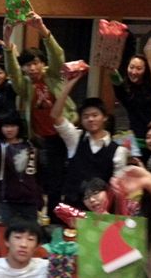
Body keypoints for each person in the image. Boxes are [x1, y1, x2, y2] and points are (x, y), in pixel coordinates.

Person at [3, 13, 77, 223]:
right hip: (44, 138)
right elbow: (13, 72)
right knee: (48, 180)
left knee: (67, 178)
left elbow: (57, 56)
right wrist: (7, 41)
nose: (32, 68)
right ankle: (49, 217)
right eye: (27, 65)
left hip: (66, 133)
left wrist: (42, 30)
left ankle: (63, 217)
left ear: (42, 63)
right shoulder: (25, 85)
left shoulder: (53, 75)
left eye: (35, 63)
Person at [51, 74, 127, 209]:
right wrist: (67, 86)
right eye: (86, 116)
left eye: (95, 115)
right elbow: (55, 117)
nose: (90, 119)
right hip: (72, 207)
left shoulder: (118, 151)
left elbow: (117, 187)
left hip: (99, 210)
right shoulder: (75, 138)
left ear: (105, 118)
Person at [0, 111, 44, 224]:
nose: (9, 129)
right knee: (8, 231)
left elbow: (37, 174)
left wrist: (39, 198)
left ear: (19, 127)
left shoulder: (30, 146)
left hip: (30, 198)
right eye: (6, 126)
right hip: (8, 199)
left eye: (12, 125)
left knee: (30, 231)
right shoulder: (0, 146)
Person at [104, 55, 151, 151]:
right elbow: (118, 84)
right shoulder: (127, 90)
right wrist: (112, 70)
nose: (134, 72)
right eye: (131, 67)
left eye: (139, 68)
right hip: (136, 142)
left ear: (146, 70)